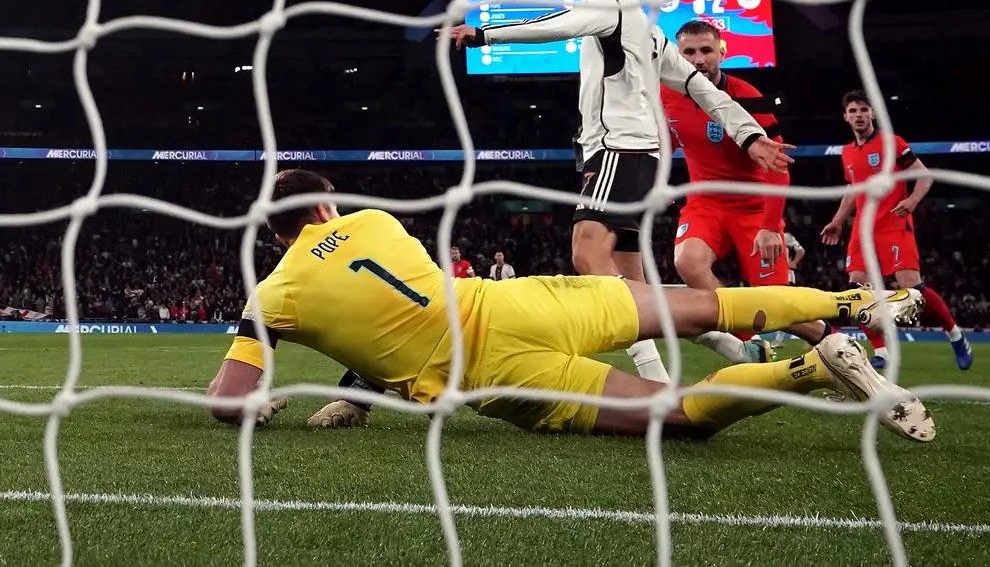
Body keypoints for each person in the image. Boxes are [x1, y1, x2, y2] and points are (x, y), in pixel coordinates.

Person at [206, 169, 935, 443]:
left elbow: (226, 402)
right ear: (327, 202)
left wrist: (257, 402)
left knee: (678, 412)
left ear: (272, 233)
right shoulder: (373, 220)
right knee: (700, 305)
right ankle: (855, 300)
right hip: (527, 300)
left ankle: (808, 371)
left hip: (497, 370)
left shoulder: (272, 295)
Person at [446, 0, 793, 383]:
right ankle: (726, 343)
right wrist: (749, 136)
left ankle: (657, 379)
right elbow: (698, 85)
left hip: (618, 150)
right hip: (630, 153)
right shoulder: (645, 27)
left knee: (587, 255)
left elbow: (558, 25)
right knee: (636, 288)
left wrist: (483, 34)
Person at [661, 20, 833, 361]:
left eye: (706, 50)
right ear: (678, 56)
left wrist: (771, 226)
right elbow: (668, 139)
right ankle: (748, 346)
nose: (698, 59)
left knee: (778, 305)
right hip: (704, 203)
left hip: (754, 209)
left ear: (722, 52)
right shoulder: (666, 94)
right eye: (689, 52)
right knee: (688, 262)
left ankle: (837, 345)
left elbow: (779, 163)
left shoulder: (749, 97)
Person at [820, 91, 973, 371]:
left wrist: (912, 201)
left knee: (912, 289)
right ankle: (882, 352)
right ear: (845, 117)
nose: (858, 115)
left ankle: (955, 334)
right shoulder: (847, 152)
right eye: (853, 111)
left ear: (872, 114)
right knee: (858, 290)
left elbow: (924, 176)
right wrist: (838, 220)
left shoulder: (893, 143)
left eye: (863, 110)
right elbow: (854, 191)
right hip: (862, 230)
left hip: (893, 225)